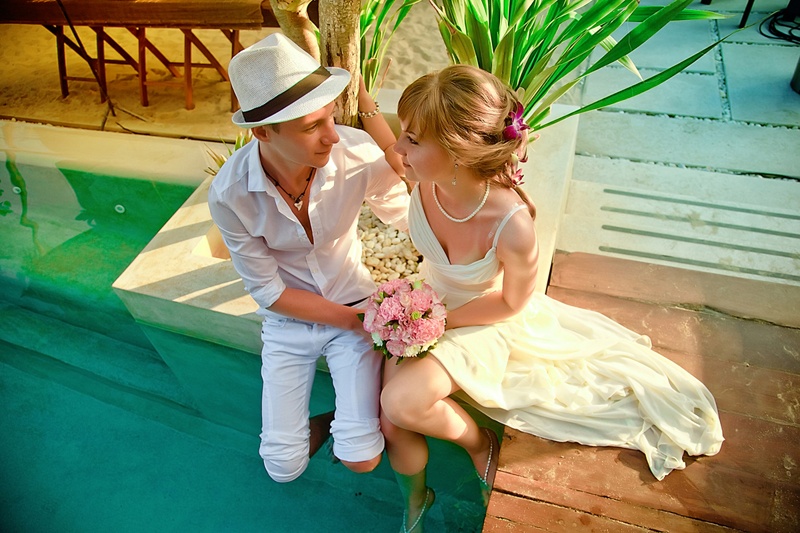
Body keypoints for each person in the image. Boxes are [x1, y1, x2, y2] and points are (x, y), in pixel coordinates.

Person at [378, 64, 724, 532]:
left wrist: (436, 322)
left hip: (486, 321)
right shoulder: (425, 180)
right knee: (391, 419)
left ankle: (479, 445)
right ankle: (415, 501)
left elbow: (512, 304)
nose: (399, 147)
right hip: (428, 307)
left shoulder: (511, 223)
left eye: (413, 139)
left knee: (401, 403)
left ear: (459, 150)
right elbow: (385, 145)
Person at [208, 33, 409, 483]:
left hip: (354, 303)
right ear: (263, 132)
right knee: (282, 468)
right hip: (291, 323)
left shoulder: (355, 153)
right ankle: (340, 416)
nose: (332, 135)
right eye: (310, 127)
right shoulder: (230, 195)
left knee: (362, 459)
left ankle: (352, 418)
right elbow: (270, 293)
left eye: (330, 116)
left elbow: (408, 217)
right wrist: (357, 321)